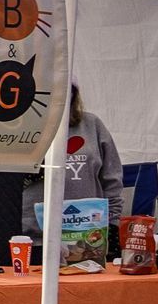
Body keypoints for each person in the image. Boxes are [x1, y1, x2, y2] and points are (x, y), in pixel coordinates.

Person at [20, 84, 125, 240]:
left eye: (62, 87)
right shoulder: (19, 127)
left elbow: (112, 180)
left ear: (72, 92)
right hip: (33, 238)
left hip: (88, 235)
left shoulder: (92, 125)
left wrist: (112, 224)